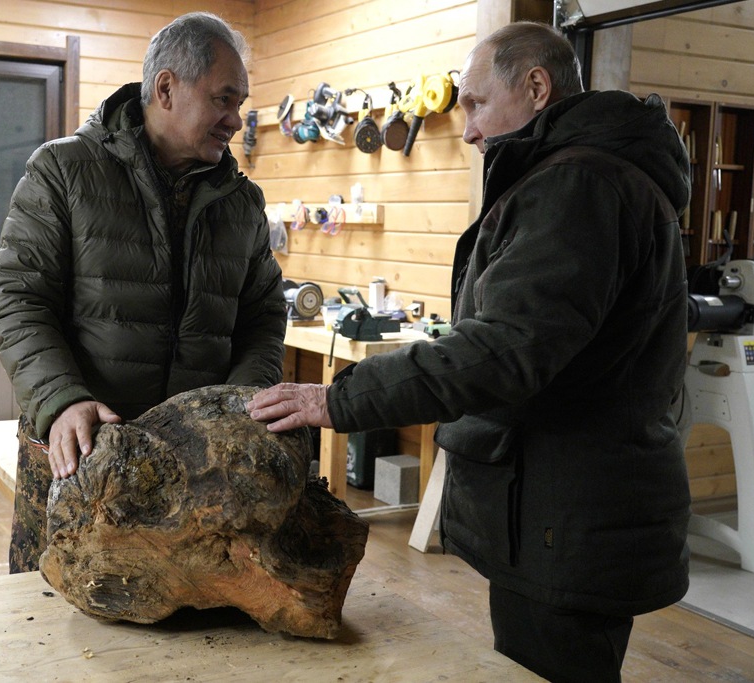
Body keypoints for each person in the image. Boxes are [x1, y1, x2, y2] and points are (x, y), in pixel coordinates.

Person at [247, 21, 691, 683]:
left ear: (536, 87)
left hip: (568, 514)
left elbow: (503, 350)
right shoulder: (587, 176)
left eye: (477, 104)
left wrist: (337, 398)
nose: (469, 131)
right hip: (566, 508)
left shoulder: (579, 186)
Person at [0, 12, 287, 573]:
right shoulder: (63, 170)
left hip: (199, 465)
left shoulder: (241, 202)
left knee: (184, 608)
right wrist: (60, 399)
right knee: (50, 605)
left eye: (240, 103)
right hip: (82, 454)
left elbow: (264, 315)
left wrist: (241, 405)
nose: (235, 119)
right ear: (166, 88)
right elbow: (17, 300)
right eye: (224, 100)